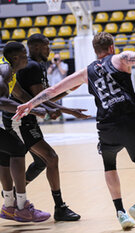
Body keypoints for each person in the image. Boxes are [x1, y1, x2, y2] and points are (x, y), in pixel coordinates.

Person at [13, 20, 135, 231]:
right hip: (129, 122)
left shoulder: (85, 72)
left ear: (95, 50)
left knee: (109, 165)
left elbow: (53, 91)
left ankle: (120, 212)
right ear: (111, 48)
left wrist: (29, 103)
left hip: (105, 127)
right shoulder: (121, 59)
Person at [3, 34, 89, 222]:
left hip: (26, 119)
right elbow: (38, 98)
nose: (49, 49)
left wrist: (64, 99)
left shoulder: (27, 68)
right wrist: (64, 109)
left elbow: (38, 99)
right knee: (49, 158)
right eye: (46, 45)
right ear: (34, 47)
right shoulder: (31, 67)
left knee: (41, 162)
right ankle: (51, 206)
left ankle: (13, 198)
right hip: (20, 121)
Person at [0, 42, 51, 222]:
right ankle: (22, 207)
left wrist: (44, 107)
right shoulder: (5, 70)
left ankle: (8, 206)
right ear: (15, 58)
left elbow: (22, 96)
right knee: (17, 149)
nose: (27, 58)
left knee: (5, 155)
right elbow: (1, 101)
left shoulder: (9, 72)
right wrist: (34, 110)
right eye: (24, 55)